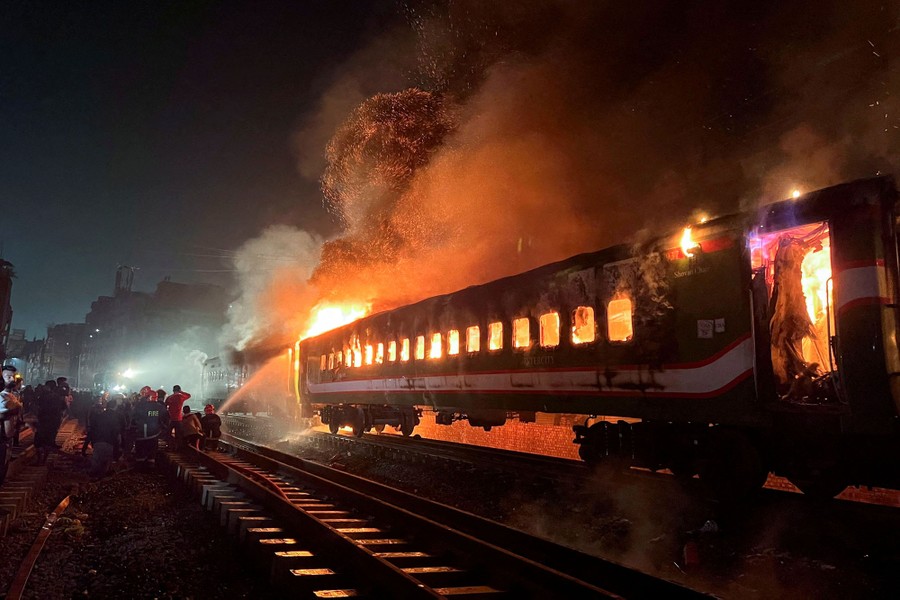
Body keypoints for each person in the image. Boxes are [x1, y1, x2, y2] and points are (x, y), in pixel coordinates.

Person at [131, 386, 165, 467]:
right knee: (151, 455)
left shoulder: (139, 406)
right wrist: (162, 428)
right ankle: (150, 467)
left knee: (140, 454)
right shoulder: (160, 407)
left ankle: (140, 467)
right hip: (153, 435)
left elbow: (133, 417)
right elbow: (165, 418)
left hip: (140, 434)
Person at [34, 380, 67, 465]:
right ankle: (44, 460)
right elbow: (64, 407)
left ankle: (39, 460)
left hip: (43, 421)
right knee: (48, 441)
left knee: (38, 441)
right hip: (54, 421)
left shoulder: (43, 396)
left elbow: (37, 407)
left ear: (48, 387)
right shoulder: (58, 397)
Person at [0, 367, 23, 485]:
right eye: (8, 377)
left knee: (4, 465)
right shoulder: (1, 396)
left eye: (13, 376)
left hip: (8, 438)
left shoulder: (12, 395)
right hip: (1, 437)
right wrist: (13, 410)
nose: (12, 379)